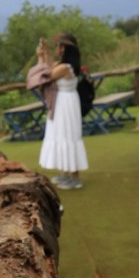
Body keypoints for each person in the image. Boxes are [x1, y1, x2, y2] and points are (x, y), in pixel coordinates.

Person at [26, 31, 88, 190]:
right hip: (61, 102)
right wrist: (45, 53)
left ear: (64, 49)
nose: (57, 48)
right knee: (60, 135)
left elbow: (44, 75)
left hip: (66, 104)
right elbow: (49, 66)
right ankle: (65, 172)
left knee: (68, 136)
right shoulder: (64, 65)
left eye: (59, 46)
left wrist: (41, 57)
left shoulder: (65, 67)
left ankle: (74, 176)